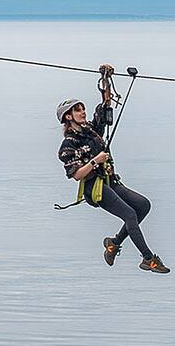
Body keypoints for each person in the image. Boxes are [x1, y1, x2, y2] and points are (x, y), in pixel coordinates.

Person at [57, 67, 168, 274]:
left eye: (83, 108)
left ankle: (113, 244)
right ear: (68, 117)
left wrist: (106, 79)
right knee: (130, 215)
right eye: (78, 110)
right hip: (94, 188)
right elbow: (77, 175)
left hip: (110, 181)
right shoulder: (69, 144)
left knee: (143, 205)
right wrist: (95, 161)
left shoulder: (92, 131)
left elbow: (105, 105)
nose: (83, 112)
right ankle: (148, 259)